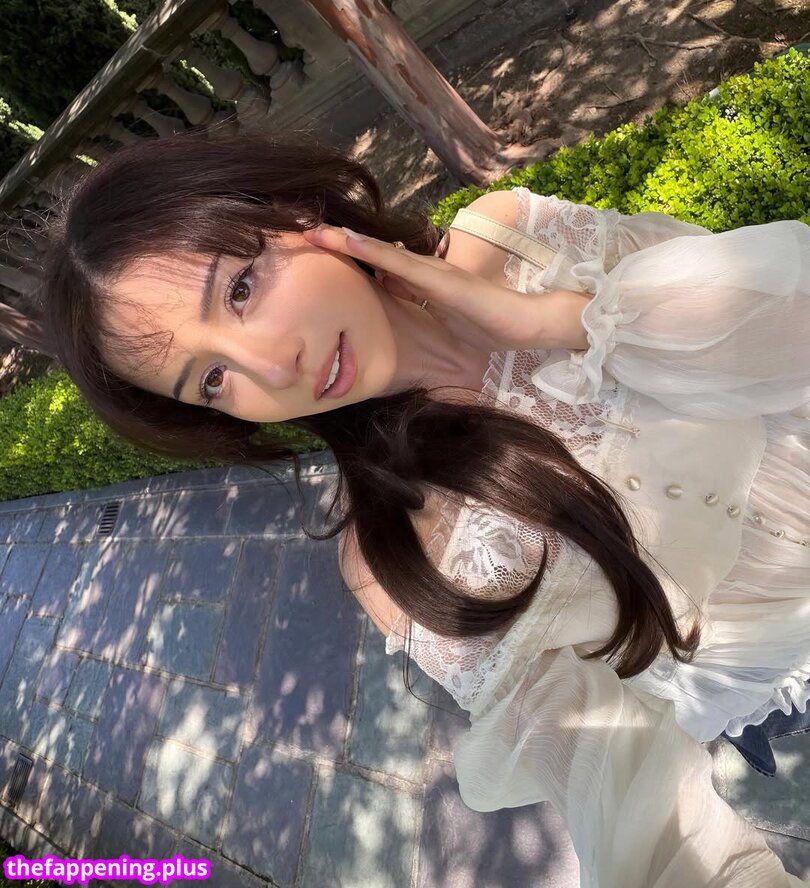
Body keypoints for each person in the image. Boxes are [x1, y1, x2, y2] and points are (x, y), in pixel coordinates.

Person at [40, 129, 809, 887]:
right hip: (770, 676)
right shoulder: (396, 556)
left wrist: (563, 323)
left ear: (297, 214)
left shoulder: (520, 241)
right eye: (212, 380)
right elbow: (628, 796)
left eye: (239, 289)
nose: (273, 366)